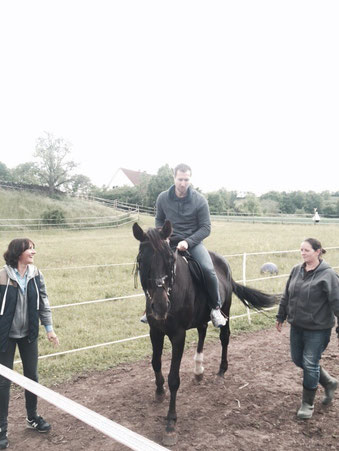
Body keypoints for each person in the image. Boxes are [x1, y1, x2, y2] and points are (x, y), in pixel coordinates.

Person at [141, 163, 226, 328]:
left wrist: (188, 242)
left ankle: (215, 308)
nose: (183, 183)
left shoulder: (200, 200)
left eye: (186, 179)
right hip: (168, 242)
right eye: (180, 179)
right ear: (174, 178)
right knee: (151, 268)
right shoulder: (162, 198)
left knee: (208, 269)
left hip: (192, 242)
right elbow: (159, 220)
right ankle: (148, 308)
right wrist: (162, 237)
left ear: (190, 179)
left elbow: (206, 228)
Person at [0, 238, 59, 449]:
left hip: (29, 335)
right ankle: (1, 429)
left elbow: (44, 302)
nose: (34, 252)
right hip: (5, 337)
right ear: (18, 253)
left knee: (32, 377)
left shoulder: (36, 275)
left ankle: (32, 417)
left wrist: (49, 329)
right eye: (29, 249)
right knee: (3, 382)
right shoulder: (2, 275)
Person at [276, 238, 339, 420]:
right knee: (299, 360)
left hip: (318, 329)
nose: (303, 253)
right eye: (301, 250)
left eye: (307, 250)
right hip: (296, 325)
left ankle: (307, 404)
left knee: (310, 363)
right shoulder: (296, 270)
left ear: (318, 251)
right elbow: (286, 295)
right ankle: (329, 382)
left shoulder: (328, 275)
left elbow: (337, 302)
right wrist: (281, 316)